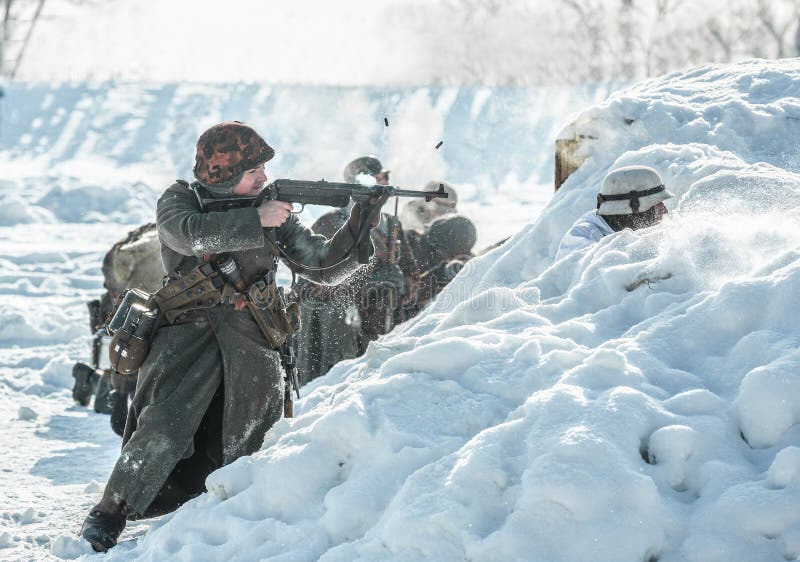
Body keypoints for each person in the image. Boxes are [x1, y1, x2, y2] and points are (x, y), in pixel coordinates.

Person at [79, 122, 382, 552]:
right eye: (253, 169)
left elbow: (321, 265)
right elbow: (186, 234)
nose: (263, 177)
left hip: (253, 342)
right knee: (162, 426)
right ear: (222, 173)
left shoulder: (272, 209)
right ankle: (109, 514)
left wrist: (359, 222)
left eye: (262, 169)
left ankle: (231, 530)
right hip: (185, 337)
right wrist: (255, 219)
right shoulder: (182, 198)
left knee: (251, 439)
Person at [295, 156, 418, 385]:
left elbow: (410, 271)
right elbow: (314, 278)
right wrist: (363, 285)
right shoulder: (331, 223)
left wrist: (401, 283)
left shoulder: (391, 224)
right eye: (381, 179)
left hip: (383, 321)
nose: (386, 185)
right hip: (342, 322)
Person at [555, 166, 673, 261]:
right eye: (657, 204)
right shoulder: (580, 240)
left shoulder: (651, 229)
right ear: (633, 208)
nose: (665, 210)